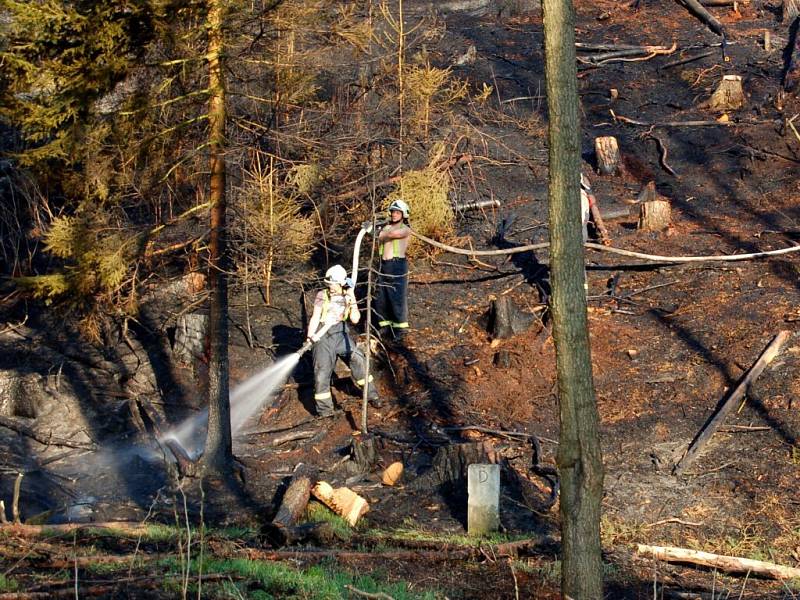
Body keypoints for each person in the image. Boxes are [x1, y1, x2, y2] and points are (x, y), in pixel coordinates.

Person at [306, 264, 381, 417]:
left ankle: (372, 395)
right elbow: (315, 317)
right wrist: (310, 336)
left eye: (333, 284)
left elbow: (355, 319)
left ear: (341, 283)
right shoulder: (322, 295)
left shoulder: (348, 295)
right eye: (328, 284)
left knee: (358, 359)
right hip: (323, 337)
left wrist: (351, 300)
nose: (330, 287)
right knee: (321, 373)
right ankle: (325, 411)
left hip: (341, 334)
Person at [374, 198, 411, 340]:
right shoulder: (385, 227)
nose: (394, 214)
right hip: (382, 266)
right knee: (381, 296)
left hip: (397, 266)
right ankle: (384, 326)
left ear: (403, 214)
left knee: (397, 297)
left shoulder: (405, 229)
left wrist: (376, 232)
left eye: (397, 212)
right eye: (393, 212)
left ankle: (400, 329)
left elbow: (391, 235)